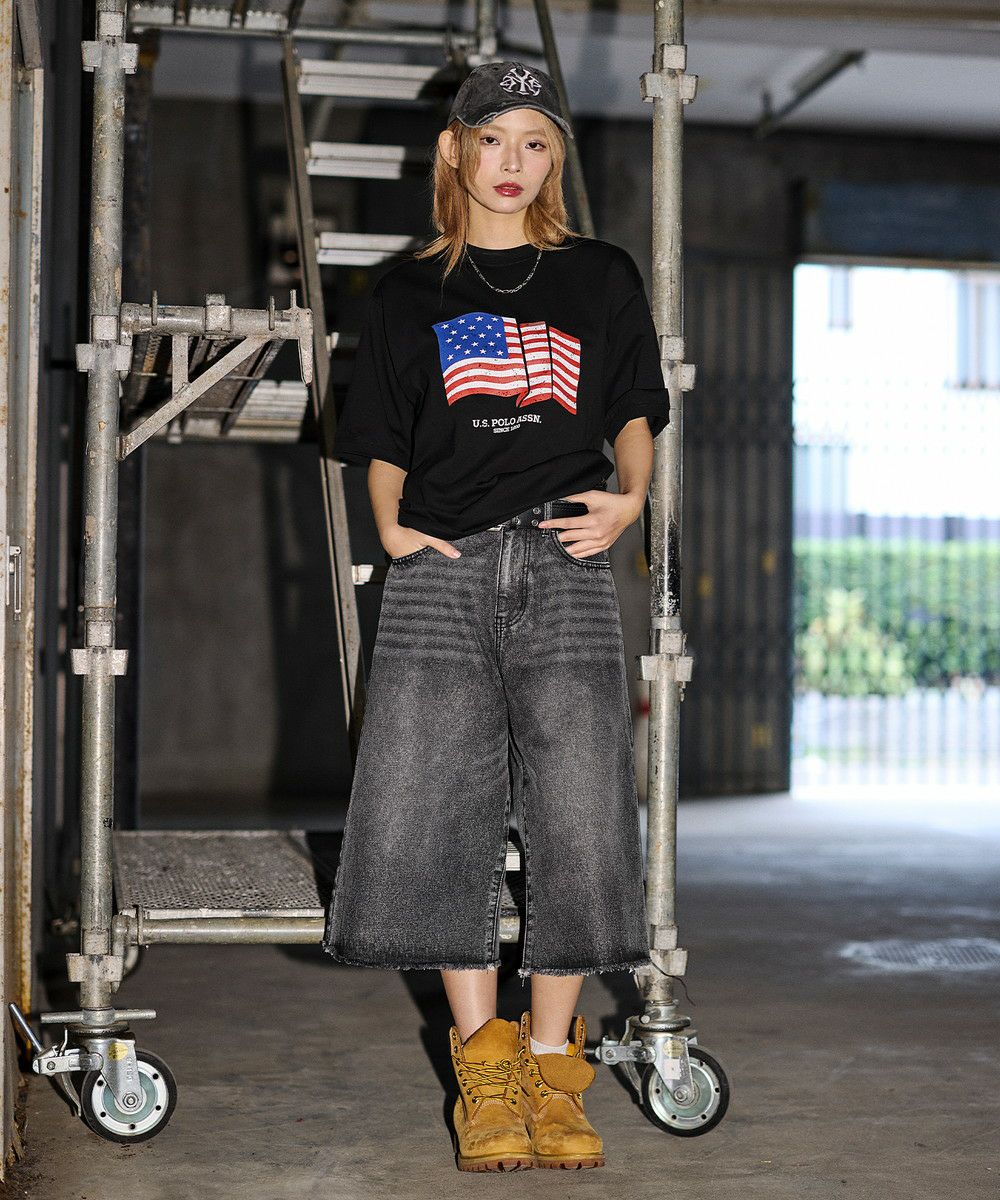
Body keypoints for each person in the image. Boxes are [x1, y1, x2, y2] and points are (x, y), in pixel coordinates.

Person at [322, 59, 670, 1172]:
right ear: (455, 150)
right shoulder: (404, 293)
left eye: (535, 143)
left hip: (566, 559)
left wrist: (631, 500)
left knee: (580, 811)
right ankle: (485, 1076)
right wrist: (388, 526)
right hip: (444, 566)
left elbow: (634, 404)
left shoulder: (598, 275)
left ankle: (555, 1073)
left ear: (553, 159)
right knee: (436, 809)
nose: (512, 163)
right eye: (492, 139)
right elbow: (380, 432)